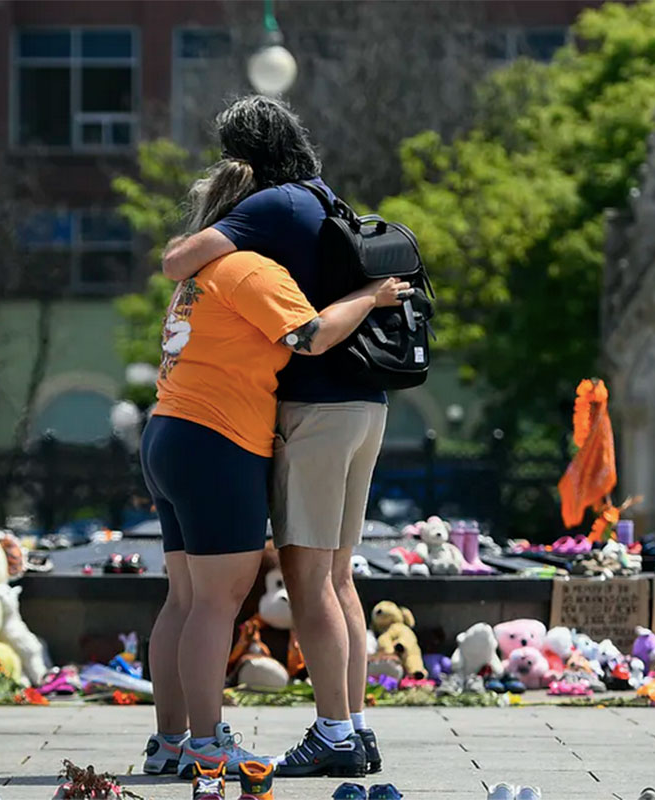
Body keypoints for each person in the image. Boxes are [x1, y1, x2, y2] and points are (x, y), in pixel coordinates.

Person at [141, 157, 409, 779]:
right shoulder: (249, 268)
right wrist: (369, 295)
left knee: (183, 599)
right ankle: (208, 746)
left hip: (167, 432)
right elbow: (313, 336)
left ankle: (170, 742)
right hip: (219, 439)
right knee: (218, 602)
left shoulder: (196, 278)